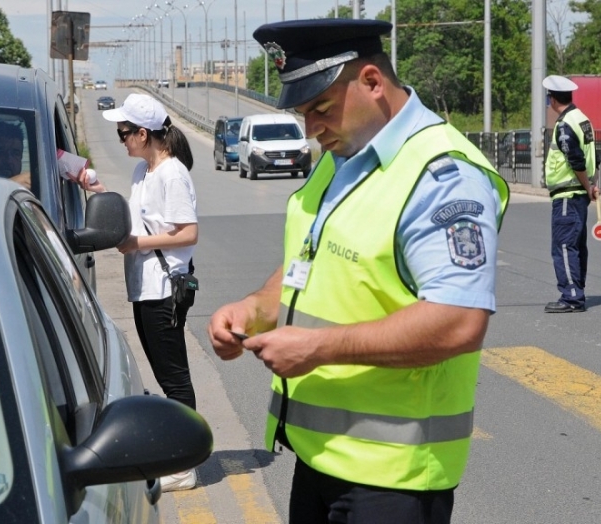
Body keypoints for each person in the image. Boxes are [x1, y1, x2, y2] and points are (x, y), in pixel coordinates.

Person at [207, 19, 509, 524]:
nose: (311, 129)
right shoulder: (342, 155)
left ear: (373, 82)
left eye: (321, 109)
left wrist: (317, 348)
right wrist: (254, 309)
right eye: (303, 113)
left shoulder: (442, 176)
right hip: (320, 456)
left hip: (394, 477)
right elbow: (311, 258)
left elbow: (460, 321)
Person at [90, 93, 199, 492]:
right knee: (163, 372)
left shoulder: (172, 173)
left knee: (174, 378)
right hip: (143, 286)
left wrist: (137, 245)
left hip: (164, 287)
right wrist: (95, 186)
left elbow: (188, 232)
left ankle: (184, 465)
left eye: (123, 134)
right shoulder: (144, 172)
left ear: (142, 133)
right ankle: (176, 455)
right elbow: (136, 220)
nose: (121, 140)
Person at [542, 75, 597, 313]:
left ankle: (572, 296)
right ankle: (577, 290)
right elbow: (591, 156)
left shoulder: (565, 124)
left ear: (552, 99)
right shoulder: (582, 119)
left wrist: (587, 186)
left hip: (567, 194)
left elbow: (576, 159)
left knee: (564, 245)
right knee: (575, 245)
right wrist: (591, 185)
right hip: (578, 194)